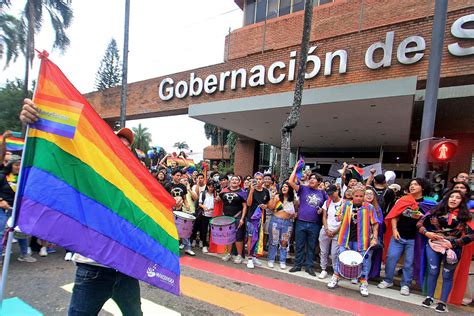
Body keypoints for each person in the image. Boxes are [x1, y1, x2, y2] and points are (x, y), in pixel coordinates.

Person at [21, 98, 146, 315]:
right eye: (118, 144)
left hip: (126, 269)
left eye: (128, 147)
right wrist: (35, 121)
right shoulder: (90, 174)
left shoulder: (136, 183)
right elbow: (60, 151)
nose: (123, 149)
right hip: (93, 269)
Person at [417, 190, 473, 313]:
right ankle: (429, 297)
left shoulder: (466, 216)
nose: (453, 199)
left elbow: (471, 235)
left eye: (457, 197)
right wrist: (427, 233)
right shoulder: (435, 211)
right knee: (432, 271)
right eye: (451, 196)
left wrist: (454, 243)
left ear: (462, 201)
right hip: (433, 244)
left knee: (447, 274)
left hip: (453, 248)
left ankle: (442, 302)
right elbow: (420, 223)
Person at [378, 178, 431, 296]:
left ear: (422, 187)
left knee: (409, 262)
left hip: (414, 239)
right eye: (411, 184)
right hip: (399, 236)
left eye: (416, 184)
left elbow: (432, 222)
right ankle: (388, 280)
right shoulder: (403, 200)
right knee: (391, 257)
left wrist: (422, 217)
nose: (412, 186)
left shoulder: (428, 204)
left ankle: (406, 284)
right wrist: (394, 230)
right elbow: (394, 216)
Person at [327, 185, 378, 297]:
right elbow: (337, 216)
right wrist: (339, 217)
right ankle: (335, 277)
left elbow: (375, 223)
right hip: (345, 238)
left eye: (361, 196)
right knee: (340, 258)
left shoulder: (369, 207)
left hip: (362, 240)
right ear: (352, 196)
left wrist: (374, 238)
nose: (359, 198)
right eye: (356, 196)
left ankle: (363, 283)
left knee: (363, 262)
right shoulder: (346, 205)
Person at [288, 163, 327, 276]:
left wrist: (322, 210)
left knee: (311, 246)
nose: (312, 180)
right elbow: (290, 182)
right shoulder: (303, 189)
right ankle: (297, 265)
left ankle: (309, 267)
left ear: (319, 182)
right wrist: (295, 168)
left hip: (315, 224)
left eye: (315, 179)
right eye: (311, 178)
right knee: (299, 245)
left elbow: (327, 206)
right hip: (301, 222)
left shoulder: (323, 193)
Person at [0, 155, 37, 263]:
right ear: (11, 165)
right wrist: (1, 200)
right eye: (16, 165)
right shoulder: (2, 176)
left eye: (21, 165)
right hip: (4, 209)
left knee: (22, 231)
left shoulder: (23, 177)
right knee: (1, 232)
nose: (19, 167)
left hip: (19, 208)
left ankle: (24, 254)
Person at [267, 181, 298, 270]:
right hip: (276, 221)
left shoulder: (294, 200)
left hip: (288, 223)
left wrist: (295, 214)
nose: (284, 188)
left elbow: (296, 210)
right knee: (273, 241)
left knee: (284, 242)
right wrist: (273, 197)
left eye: (286, 186)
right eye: (283, 186)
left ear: (290, 189)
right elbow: (271, 207)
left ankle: (282, 261)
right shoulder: (277, 197)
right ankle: (271, 260)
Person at [218, 175, 247, 263]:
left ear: (239, 182)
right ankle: (229, 254)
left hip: (237, 217)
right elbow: (218, 200)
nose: (234, 181)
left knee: (238, 237)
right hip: (226, 217)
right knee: (228, 237)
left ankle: (239, 255)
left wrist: (242, 218)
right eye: (232, 179)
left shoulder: (242, 192)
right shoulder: (225, 191)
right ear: (230, 181)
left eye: (236, 180)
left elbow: (245, 207)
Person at [246, 172, 270, 269]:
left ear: (263, 180)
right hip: (251, 218)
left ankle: (254, 255)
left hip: (261, 218)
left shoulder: (266, 191)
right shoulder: (250, 190)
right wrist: (251, 191)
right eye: (257, 179)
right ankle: (250, 258)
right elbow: (248, 203)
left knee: (258, 238)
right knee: (251, 238)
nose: (259, 181)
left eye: (260, 179)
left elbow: (268, 203)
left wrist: (266, 206)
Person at [318, 185, 342, 279]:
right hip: (326, 229)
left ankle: (335, 272)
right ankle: (323, 269)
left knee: (335, 253)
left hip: (338, 231)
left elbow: (344, 220)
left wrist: (335, 231)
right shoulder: (327, 202)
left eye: (332, 194)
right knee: (323, 251)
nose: (331, 196)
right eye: (329, 194)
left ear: (337, 191)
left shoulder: (344, 203)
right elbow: (324, 216)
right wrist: (327, 229)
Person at [196, 181, 216, 253]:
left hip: (213, 215)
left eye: (212, 187)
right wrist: (204, 207)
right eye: (209, 186)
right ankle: (204, 245)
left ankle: (211, 245)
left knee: (212, 231)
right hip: (205, 214)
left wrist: (213, 209)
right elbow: (200, 204)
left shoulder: (215, 194)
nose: (210, 188)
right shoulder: (203, 194)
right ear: (207, 186)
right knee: (204, 230)